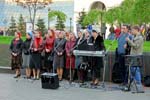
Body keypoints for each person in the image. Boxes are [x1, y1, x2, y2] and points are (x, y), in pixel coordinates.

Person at [126, 26, 144, 92]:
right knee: (132, 70)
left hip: (137, 56)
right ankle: (133, 85)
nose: (131, 31)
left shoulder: (140, 38)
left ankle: (138, 85)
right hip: (133, 55)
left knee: (136, 70)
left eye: (133, 30)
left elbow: (136, 46)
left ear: (137, 30)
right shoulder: (134, 37)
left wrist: (129, 41)